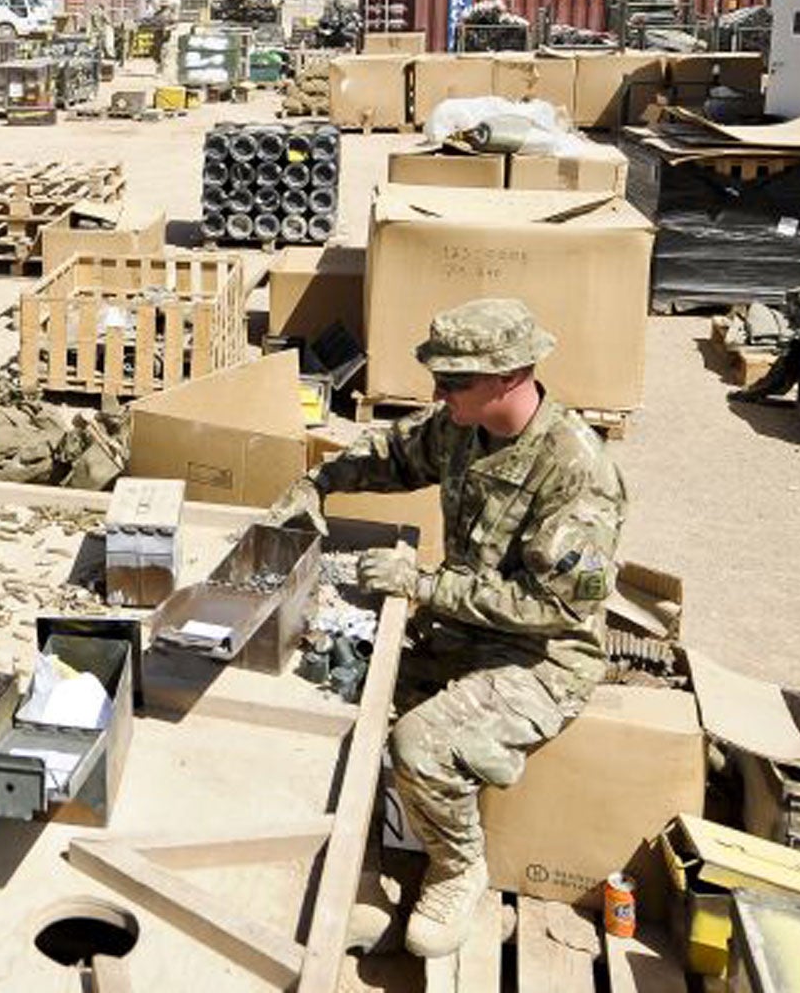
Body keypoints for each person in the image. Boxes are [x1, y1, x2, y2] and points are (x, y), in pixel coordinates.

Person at [268, 298, 625, 958]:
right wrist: (316, 483)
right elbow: (393, 452)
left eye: (454, 380)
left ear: (509, 377)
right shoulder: (463, 425)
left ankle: (458, 868)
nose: (438, 391)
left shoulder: (577, 472)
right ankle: (362, 865)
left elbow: (556, 608)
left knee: (419, 744)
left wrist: (426, 585)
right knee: (342, 689)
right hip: (461, 626)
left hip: (541, 658)